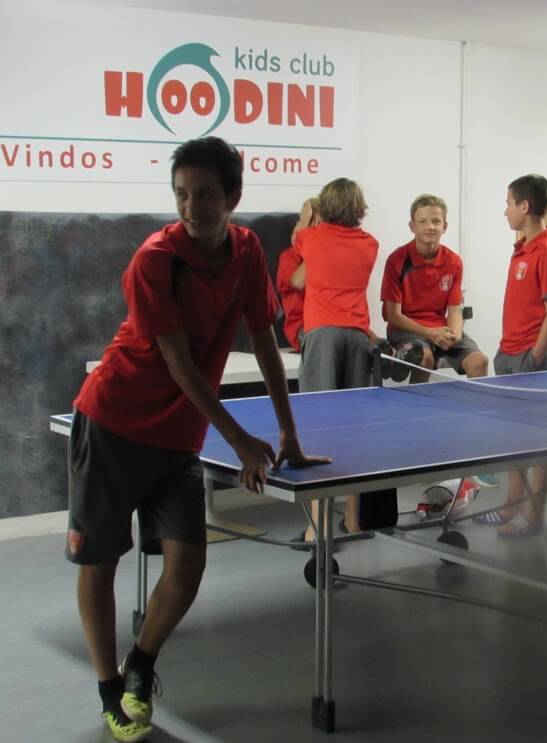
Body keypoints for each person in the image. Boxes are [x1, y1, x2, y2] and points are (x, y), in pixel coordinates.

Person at [67, 136, 328, 742]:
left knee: (187, 565)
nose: (192, 207)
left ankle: (141, 661)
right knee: (101, 562)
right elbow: (179, 363)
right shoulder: (155, 260)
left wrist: (287, 433)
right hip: (115, 423)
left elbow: (264, 339)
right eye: (182, 194)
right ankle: (109, 688)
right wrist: (239, 440)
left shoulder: (246, 250)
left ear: (232, 196)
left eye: (205, 195)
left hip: (178, 435)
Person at [473, 174, 547, 537]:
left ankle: (535, 516)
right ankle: (511, 507)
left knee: (539, 438)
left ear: (525, 206)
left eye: (509, 203)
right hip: (510, 352)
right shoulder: (522, 246)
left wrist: (534, 359)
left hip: (531, 356)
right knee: (513, 436)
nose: (505, 211)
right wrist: (508, 350)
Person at [292, 177, 379, 535]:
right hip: (358, 337)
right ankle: (353, 520)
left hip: (323, 336)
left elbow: (297, 247)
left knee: (318, 430)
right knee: (352, 432)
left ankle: (318, 525)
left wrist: (307, 217)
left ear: (323, 207)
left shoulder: (309, 237)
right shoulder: (370, 244)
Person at [381, 194, 488, 382]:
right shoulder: (396, 260)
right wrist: (430, 333)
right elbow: (393, 316)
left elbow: (454, 309)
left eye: (436, 221)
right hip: (407, 329)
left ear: (444, 226)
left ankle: (477, 404)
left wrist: (454, 336)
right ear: (412, 226)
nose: (430, 226)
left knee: (479, 362)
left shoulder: (454, 261)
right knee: (425, 358)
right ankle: (415, 399)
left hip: (440, 328)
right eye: (423, 221)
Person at [275, 197, 320, 353]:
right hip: (303, 328)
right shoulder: (288, 257)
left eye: (302, 220)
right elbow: (298, 282)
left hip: (329, 326)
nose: (297, 226)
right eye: (300, 220)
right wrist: (310, 242)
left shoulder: (328, 256)